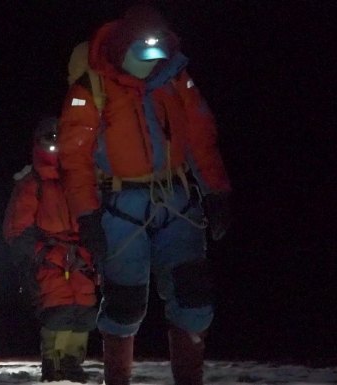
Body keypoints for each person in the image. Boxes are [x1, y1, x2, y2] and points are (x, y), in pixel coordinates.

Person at [57, 5, 232, 385]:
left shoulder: (175, 79)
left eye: (157, 53)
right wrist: (87, 215)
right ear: (123, 48)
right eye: (143, 53)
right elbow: (75, 158)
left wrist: (216, 191)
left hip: (177, 200)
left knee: (194, 298)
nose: (151, 62)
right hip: (122, 207)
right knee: (124, 303)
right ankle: (116, 379)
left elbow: (201, 135)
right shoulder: (92, 87)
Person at [3, 117, 97, 382]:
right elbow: (18, 229)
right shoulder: (32, 183)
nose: (56, 143)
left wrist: (92, 250)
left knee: (85, 311)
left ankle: (72, 363)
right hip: (50, 257)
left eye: (60, 137)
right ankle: (52, 364)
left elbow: (92, 215)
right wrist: (41, 254)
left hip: (81, 257)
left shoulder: (81, 178)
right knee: (59, 310)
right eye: (50, 138)